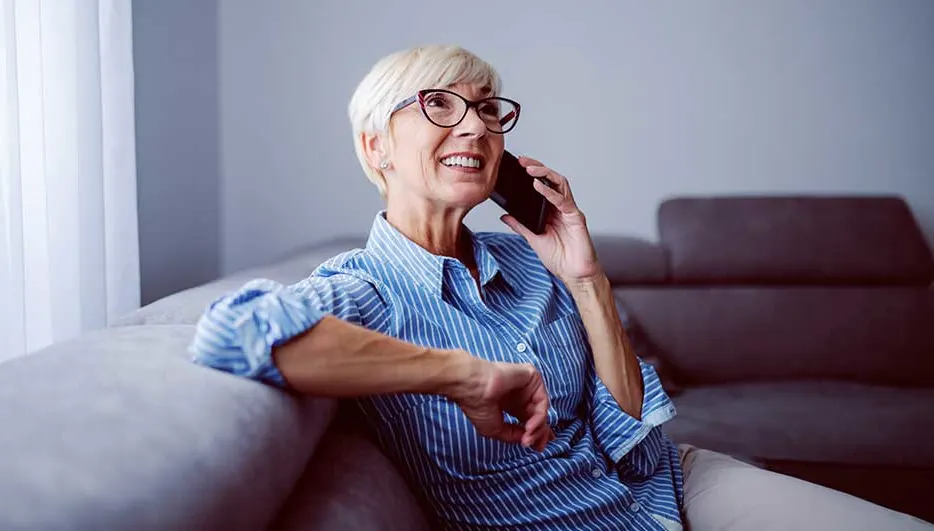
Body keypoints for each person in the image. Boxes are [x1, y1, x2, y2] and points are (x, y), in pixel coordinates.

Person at [190, 45, 931, 530]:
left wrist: (585, 274)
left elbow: (630, 424)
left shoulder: (529, 266)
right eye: (440, 105)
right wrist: (463, 373)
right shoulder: (363, 288)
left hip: (673, 487)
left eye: (488, 110)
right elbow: (231, 333)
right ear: (374, 144)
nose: (475, 127)